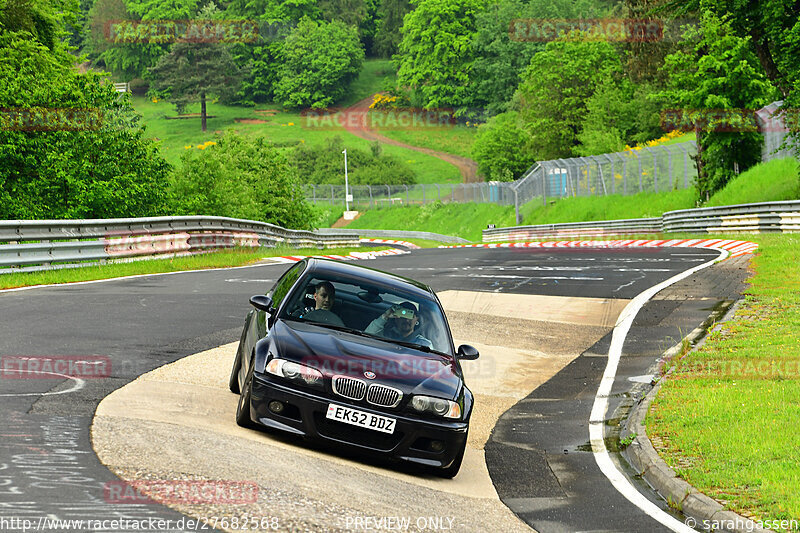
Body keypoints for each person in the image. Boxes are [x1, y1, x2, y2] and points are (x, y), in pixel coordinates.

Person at [365, 301, 433, 349]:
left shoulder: (425, 345)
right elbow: (365, 339)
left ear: (417, 319)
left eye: (410, 316)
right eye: (402, 316)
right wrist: (385, 316)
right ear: (396, 318)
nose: (406, 320)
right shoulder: (384, 335)